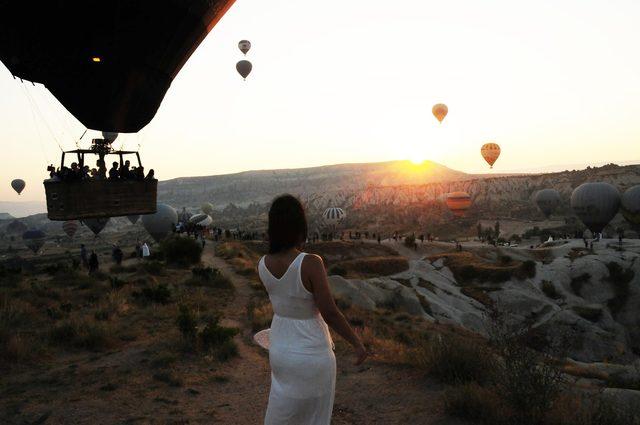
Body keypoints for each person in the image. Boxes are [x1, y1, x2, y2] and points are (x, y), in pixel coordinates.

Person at [258, 194, 367, 425]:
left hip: (280, 348)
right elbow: (330, 312)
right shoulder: (310, 262)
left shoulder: (263, 263)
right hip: (310, 350)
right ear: (300, 225)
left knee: (283, 408)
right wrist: (357, 343)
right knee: (314, 416)